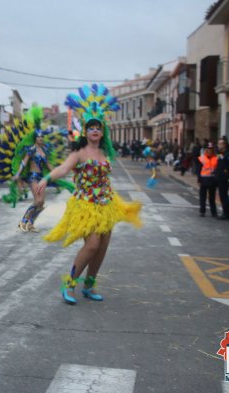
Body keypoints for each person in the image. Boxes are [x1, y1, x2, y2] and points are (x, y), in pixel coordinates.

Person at [37, 84, 142, 305]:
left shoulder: (105, 152)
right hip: (85, 205)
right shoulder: (79, 152)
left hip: (106, 204)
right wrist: (46, 179)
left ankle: (89, 285)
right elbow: (63, 169)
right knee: (92, 244)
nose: (95, 130)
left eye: (98, 127)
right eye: (91, 127)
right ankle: (70, 284)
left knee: (102, 248)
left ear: (103, 131)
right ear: (85, 131)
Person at [11, 106, 56, 232]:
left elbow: (48, 166)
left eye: (42, 137)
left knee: (41, 203)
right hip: (33, 177)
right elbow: (24, 163)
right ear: (35, 138)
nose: (40, 138)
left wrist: (57, 173)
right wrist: (18, 174)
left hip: (41, 178)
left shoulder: (45, 151)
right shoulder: (31, 149)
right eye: (38, 137)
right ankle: (23, 221)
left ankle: (30, 223)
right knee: (38, 201)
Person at [197, 142, 219, 217]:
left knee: (212, 198)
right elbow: (199, 170)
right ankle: (202, 211)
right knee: (203, 197)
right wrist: (199, 179)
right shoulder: (202, 158)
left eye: (211, 149)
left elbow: (217, 170)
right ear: (206, 150)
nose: (210, 151)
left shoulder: (216, 159)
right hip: (203, 180)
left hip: (212, 180)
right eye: (209, 149)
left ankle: (214, 212)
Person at [216, 138, 229, 220]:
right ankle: (225, 212)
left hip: (225, 178)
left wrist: (227, 171)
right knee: (221, 195)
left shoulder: (228, 155)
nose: (218, 145)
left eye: (220, 144)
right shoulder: (219, 154)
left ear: (224, 145)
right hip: (220, 177)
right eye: (218, 144)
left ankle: (227, 214)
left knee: (224, 196)